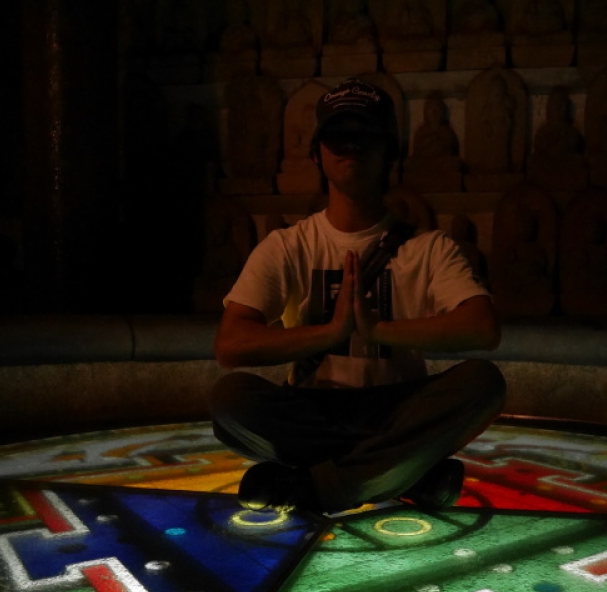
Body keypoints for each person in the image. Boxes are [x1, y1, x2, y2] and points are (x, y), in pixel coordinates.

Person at [209, 77, 506, 515]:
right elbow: (231, 345)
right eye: (338, 136)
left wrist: (378, 330)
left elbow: (482, 328)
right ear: (317, 152)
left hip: (397, 406)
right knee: (231, 399)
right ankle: (405, 472)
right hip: (314, 410)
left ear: (389, 151)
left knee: (484, 383)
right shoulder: (287, 245)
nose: (351, 147)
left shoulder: (428, 247)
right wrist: (330, 334)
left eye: (365, 136)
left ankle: (315, 486)